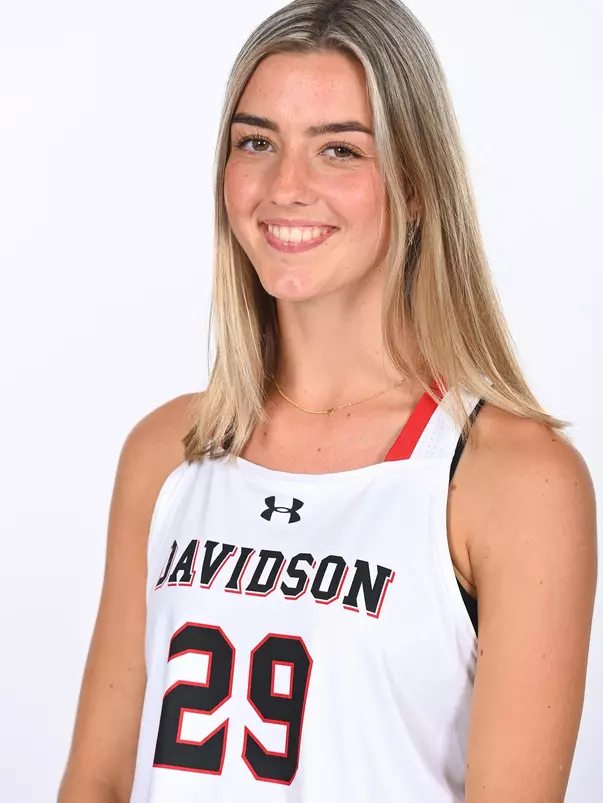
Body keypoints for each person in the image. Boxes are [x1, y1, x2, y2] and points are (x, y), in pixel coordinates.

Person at [57, 1, 597, 801]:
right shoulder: (167, 452)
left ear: (416, 185)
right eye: (256, 142)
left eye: (339, 149)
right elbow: (96, 782)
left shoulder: (512, 478)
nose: (285, 187)